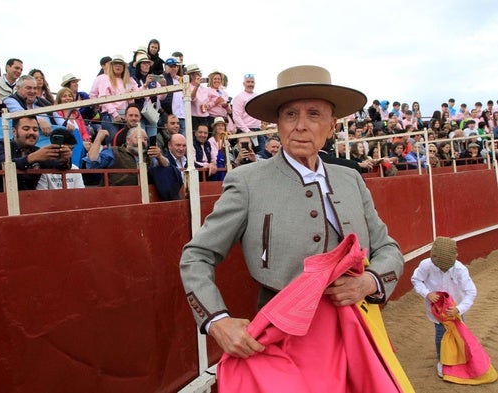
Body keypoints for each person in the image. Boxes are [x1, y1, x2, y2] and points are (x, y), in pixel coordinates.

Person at [180, 66, 407, 390]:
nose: (301, 125)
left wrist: (369, 281)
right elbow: (196, 256)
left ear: (331, 126)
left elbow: (387, 249)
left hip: (357, 332)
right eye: (290, 114)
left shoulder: (350, 179)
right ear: (277, 124)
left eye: (314, 114)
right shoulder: (248, 182)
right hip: (282, 342)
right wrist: (217, 321)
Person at [411, 237, 477, 376]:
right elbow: (416, 280)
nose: (443, 269)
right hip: (438, 312)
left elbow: (471, 292)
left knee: (460, 334)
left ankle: (462, 358)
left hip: (455, 309)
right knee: (441, 335)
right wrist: (427, 293)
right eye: (440, 266)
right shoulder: (426, 265)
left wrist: (458, 309)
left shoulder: (460, 269)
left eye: (446, 267)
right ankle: (443, 360)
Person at [0, 115, 72, 193]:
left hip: (27, 204)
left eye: (35, 129)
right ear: (14, 131)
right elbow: (4, 165)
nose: (32, 132)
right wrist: (32, 158)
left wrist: (65, 159)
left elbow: (58, 166)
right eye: (26, 128)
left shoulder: (37, 151)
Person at [83, 126, 169, 186]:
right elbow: (92, 165)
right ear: (128, 140)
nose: (142, 141)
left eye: (145, 139)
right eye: (138, 138)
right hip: (115, 199)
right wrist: (99, 138)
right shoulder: (114, 152)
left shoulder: (148, 156)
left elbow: (167, 165)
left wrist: (159, 157)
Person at [97, 54, 140, 141]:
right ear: (112, 66)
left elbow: (133, 98)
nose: (118, 66)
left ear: (124, 67)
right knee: (113, 143)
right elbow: (104, 98)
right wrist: (115, 114)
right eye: (115, 63)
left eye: (120, 64)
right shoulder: (105, 79)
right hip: (110, 116)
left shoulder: (128, 81)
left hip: (125, 116)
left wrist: (146, 85)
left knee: (126, 142)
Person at [232, 74, 263, 153]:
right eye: (248, 82)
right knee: (246, 156)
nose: (250, 84)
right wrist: (247, 131)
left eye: (252, 82)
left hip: (258, 130)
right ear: (244, 84)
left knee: (262, 155)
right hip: (245, 131)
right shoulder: (239, 97)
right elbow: (236, 117)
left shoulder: (257, 96)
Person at [160, 57, 185, 134]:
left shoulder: (180, 80)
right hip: (168, 116)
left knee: (184, 141)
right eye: (171, 66)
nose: (174, 68)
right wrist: (163, 112)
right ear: (165, 67)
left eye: (175, 66)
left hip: (182, 116)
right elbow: (158, 98)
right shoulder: (161, 78)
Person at [185, 64, 210, 130]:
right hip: (194, 117)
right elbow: (191, 98)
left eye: (199, 73)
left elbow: (208, 101)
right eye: (197, 74)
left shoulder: (204, 89)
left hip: (205, 116)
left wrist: (207, 105)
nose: (199, 75)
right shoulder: (187, 87)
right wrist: (196, 86)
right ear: (191, 75)